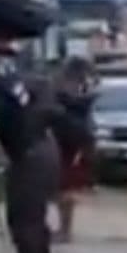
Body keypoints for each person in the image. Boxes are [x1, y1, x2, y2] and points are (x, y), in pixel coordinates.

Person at [0, 46, 62, 253]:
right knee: (34, 217)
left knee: (23, 219)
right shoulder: (11, 85)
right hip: (44, 149)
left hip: (29, 155)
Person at [51, 57, 95, 243]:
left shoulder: (70, 92)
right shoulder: (85, 91)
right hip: (75, 140)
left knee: (64, 188)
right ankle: (64, 229)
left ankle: (65, 231)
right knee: (62, 187)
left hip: (67, 140)